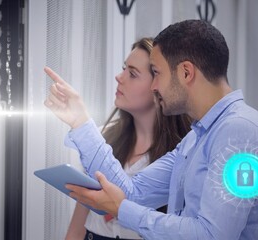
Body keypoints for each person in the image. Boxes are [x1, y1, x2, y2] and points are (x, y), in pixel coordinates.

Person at [45, 20, 258, 239]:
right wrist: (80, 121)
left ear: (186, 72)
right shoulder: (196, 139)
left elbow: (212, 235)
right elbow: (132, 192)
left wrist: (123, 210)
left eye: (157, 73)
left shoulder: (242, 134)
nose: (154, 86)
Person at [62, 38, 191, 240]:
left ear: (158, 84)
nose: (119, 77)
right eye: (124, 69)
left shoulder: (181, 152)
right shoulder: (103, 139)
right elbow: (77, 225)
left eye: (132, 74)